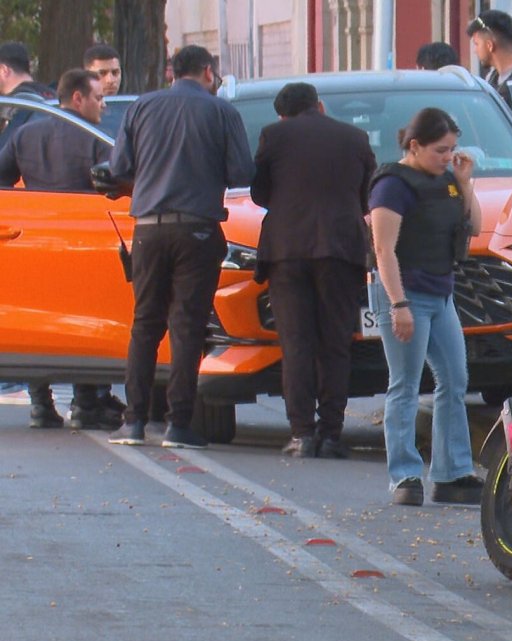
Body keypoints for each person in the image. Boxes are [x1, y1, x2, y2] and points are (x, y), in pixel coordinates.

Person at [107, 45, 254, 449]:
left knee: (145, 323)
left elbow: (119, 168)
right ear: (208, 72)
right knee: (188, 325)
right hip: (199, 229)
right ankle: (179, 424)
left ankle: (134, 421)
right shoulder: (222, 112)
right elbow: (241, 172)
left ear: (172, 71)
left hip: (149, 230)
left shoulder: (141, 107)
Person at [250, 82, 376, 460]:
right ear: (319, 106)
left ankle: (302, 433)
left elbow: (259, 193)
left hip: (287, 249)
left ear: (282, 115)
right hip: (340, 248)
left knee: (296, 342)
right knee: (336, 343)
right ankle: (332, 433)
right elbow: (366, 195)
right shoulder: (354, 137)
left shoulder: (274, 136)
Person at [369, 107, 483, 506]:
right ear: (414, 146)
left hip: (441, 292)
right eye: (440, 150)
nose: (447, 158)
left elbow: (476, 225)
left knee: (455, 379)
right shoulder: (393, 185)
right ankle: (404, 476)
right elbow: (383, 249)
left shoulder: (449, 179)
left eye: (452, 149)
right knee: (405, 383)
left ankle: (452, 473)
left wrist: (465, 183)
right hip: (406, 292)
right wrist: (398, 304)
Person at [0, 68, 125, 431]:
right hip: (86, 238)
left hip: (35, 237)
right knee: (86, 318)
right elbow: (117, 179)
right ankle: (87, 400)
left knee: (44, 320)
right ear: (77, 98)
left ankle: (41, 403)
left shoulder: (26, 135)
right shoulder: (95, 140)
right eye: (98, 98)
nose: (103, 105)